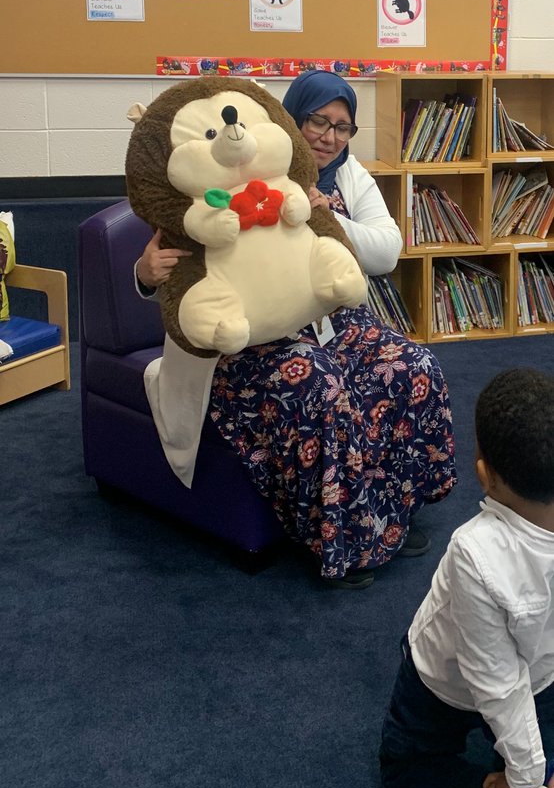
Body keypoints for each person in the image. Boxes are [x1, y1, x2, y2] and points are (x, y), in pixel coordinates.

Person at [136, 71, 456, 589]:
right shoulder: (207, 188)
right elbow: (164, 266)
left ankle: (390, 509)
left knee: (410, 363)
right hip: (240, 340)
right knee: (318, 384)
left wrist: (323, 212)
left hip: (326, 322)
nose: (329, 137)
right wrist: (143, 273)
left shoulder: (347, 178)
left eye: (343, 127)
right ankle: (342, 537)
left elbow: (384, 251)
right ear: (286, 119)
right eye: (317, 121)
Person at [380, 367, 554, 788]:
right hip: (544, 679)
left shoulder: (474, 551)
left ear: (484, 474)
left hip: (447, 685)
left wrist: (522, 778)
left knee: (406, 773)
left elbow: (496, 682)